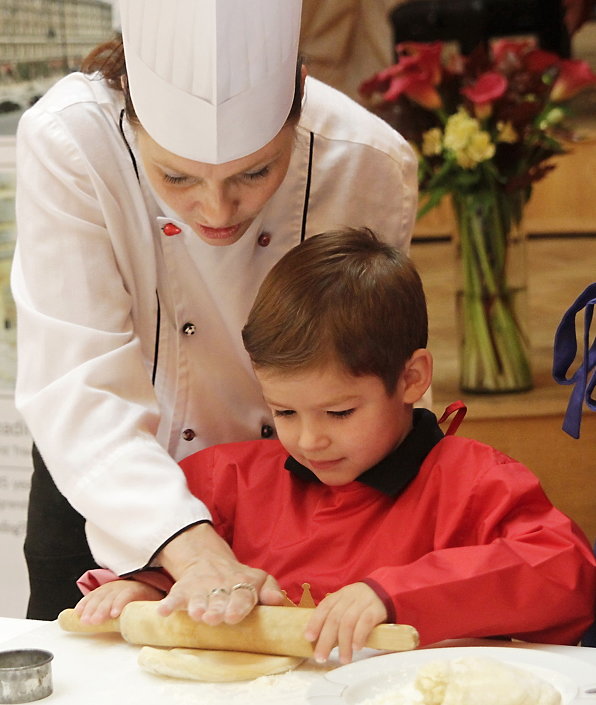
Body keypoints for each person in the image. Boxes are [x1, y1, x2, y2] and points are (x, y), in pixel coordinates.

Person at [11, 0, 418, 621]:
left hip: (298, 498)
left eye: (255, 174)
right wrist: (191, 550)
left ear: (299, 113)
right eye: (176, 180)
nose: (217, 211)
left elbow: (359, 358)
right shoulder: (71, 143)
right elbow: (79, 382)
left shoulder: (366, 163)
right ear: (133, 125)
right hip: (103, 486)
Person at [74, 228, 596, 665]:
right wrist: (148, 588)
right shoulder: (226, 479)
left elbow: (565, 570)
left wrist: (392, 595)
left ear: (412, 377)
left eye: (340, 412)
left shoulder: (474, 482)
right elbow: (177, 561)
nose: (309, 439)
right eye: (284, 412)